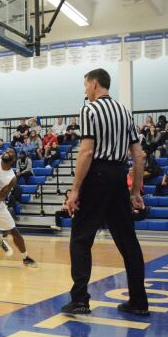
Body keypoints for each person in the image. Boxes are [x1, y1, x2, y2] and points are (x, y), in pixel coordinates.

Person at [62, 68, 149, 317]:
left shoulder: (89, 109)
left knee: (81, 238)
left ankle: (80, 299)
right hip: (119, 176)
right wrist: (134, 191)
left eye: (86, 85)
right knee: (128, 241)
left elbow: (87, 151)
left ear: (95, 84)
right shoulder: (124, 111)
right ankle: (139, 301)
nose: (85, 90)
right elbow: (138, 155)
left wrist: (75, 189)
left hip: (97, 175)